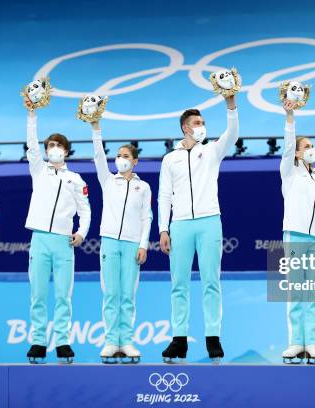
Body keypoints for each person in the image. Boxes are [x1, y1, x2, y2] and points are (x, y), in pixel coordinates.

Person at [158, 93, 238, 363]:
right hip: (179, 224)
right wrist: (163, 229)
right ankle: (179, 340)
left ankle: (213, 338)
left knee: (211, 282)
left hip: (209, 221)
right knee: (178, 283)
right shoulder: (170, 159)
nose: (202, 125)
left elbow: (233, 133)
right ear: (185, 127)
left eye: (203, 121)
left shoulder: (212, 150)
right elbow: (164, 196)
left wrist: (230, 105)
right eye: (197, 122)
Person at [23, 97, 91, 364]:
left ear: (67, 151)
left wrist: (82, 233)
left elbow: (85, 210)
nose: (53, 149)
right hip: (39, 239)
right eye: (50, 145)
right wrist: (31, 115)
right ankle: (38, 341)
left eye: (58, 145)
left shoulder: (75, 179)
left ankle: (62, 341)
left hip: (64, 242)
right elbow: (31, 145)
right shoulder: (38, 170)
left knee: (64, 295)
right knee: (38, 294)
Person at [89, 120, 152, 364]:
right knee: (111, 294)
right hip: (110, 243)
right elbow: (97, 157)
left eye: (125, 156)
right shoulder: (108, 181)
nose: (120, 159)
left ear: (135, 161)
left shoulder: (143, 187)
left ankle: (125, 341)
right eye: (118, 155)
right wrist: (96, 129)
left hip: (132, 245)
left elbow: (147, 217)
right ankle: (110, 341)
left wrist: (143, 244)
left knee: (128, 295)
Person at [279, 99, 315, 364]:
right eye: (306, 146)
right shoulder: (289, 173)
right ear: (297, 154)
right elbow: (288, 146)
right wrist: (290, 118)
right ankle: (295, 342)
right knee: (295, 290)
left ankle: (312, 341)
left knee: (314, 290)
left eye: (312, 146)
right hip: (295, 236)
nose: (311, 149)